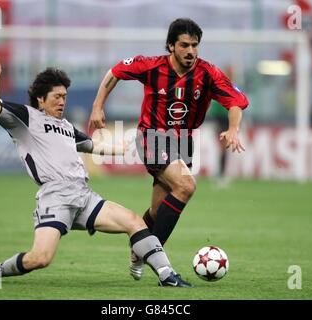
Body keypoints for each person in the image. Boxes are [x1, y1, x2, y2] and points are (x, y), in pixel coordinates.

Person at [0, 56, 193, 288]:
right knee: (40, 259)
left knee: (134, 221)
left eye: (65, 97)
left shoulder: (67, 127)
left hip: (83, 196)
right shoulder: (27, 119)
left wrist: (123, 148)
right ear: (40, 99)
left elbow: (93, 146)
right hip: (55, 197)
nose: (62, 101)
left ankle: (167, 275)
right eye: (57, 96)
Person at [88, 18, 249, 281]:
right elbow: (115, 72)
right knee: (186, 186)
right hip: (152, 136)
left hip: (183, 140)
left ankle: (138, 251)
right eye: (184, 45)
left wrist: (234, 129)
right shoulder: (151, 66)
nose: (190, 51)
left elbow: (235, 102)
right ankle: (158, 261)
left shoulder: (208, 73)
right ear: (171, 46)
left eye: (195, 45)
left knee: (156, 210)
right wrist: (97, 106)